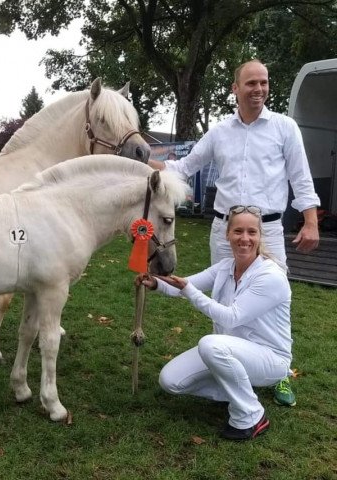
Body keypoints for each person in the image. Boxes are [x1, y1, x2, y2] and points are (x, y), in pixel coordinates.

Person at [148, 59, 320, 407]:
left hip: (268, 230)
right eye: (251, 83)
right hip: (224, 229)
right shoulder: (219, 133)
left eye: (264, 83)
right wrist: (140, 163)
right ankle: (225, 367)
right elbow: (183, 167)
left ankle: (278, 372)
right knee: (224, 297)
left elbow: (301, 177)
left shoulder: (285, 128)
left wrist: (311, 220)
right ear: (235, 88)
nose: (259, 89)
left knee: (272, 303)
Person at [136, 206, 292, 440]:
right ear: (228, 234)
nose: (245, 238)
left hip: (270, 360)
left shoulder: (270, 276)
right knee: (171, 381)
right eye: (238, 231)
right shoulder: (225, 267)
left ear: (260, 236)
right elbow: (184, 285)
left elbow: (230, 316)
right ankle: (240, 391)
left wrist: (189, 291)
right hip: (229, 349)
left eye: (252, 232)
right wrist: (155, 283)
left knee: (210, 344)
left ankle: (251, 415)